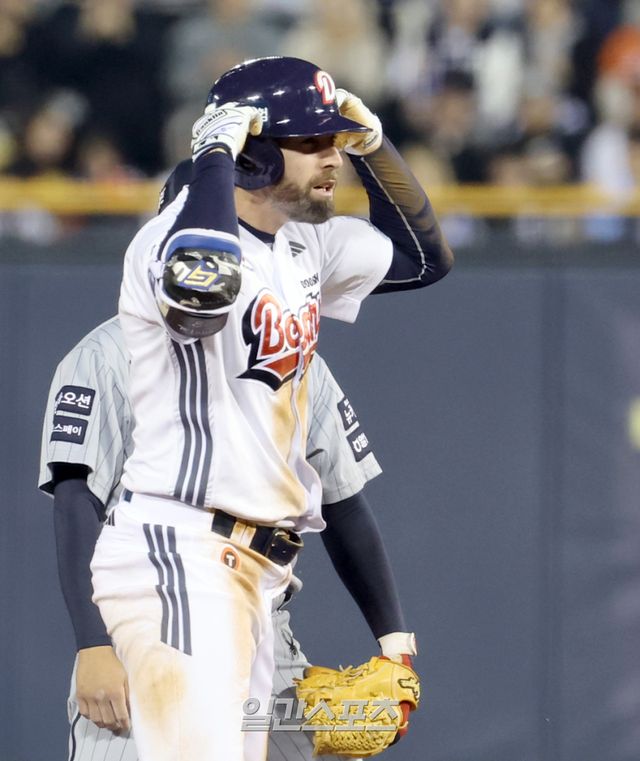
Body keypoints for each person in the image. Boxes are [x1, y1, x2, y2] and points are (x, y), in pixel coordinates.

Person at [92, 55, 452, 761]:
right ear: (252, 152)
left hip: (255, 572)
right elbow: (199, 302)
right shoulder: (169, 241)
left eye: (335, 140)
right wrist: (215, 160)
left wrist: (375, 145)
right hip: (182, 550)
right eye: (311, 141)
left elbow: (423, 258)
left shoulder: (303, 243)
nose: (333, 157)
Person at [39, 314, 392, 761]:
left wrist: (395, 644)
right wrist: (94, 643)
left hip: (260, 628)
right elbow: (76, 502)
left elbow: (344, 504)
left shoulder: (296, 357)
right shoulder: (104, 354)